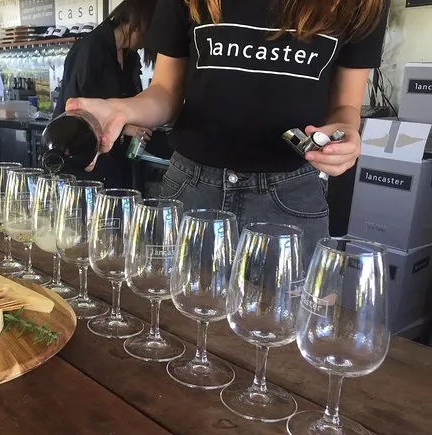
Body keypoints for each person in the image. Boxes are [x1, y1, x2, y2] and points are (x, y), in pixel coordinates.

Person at [67, 0, 389, 263]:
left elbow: (346, 106)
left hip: (290, 197)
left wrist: (345, 132)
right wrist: (123, 109)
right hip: (192, 190)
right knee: (172, 317)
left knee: (285, 323)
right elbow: (165, 91)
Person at [52, 0, 157, 188]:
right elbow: (75, 111)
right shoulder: (91, 48)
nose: (147, 42)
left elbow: (132, 101)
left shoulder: (130, 57)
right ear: (139, 23)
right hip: (81, 156)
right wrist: (125, 127)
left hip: (115, 158)